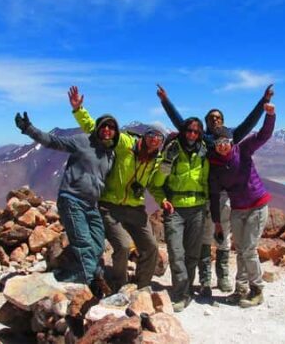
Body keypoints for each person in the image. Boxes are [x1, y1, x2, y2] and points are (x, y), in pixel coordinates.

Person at [156, 84, 274, 296]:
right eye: (211, 118)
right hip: (205, 194)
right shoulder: (202, 139)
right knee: (205, 236)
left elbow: (250, 122)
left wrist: (263, 102)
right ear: (206, 122)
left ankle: (224, 275)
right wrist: (166, 101)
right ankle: (205, 278)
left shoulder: (232, 136)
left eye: (218, 117)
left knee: (224, 236)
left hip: (225, 196)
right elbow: (181, 123)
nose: (215, 120)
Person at [67, 86, 164, 291]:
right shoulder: (125, 143)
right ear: (145, 135)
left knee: (152, 247)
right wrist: (79, 110)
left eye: (159, 137)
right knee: (122, 246)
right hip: (110, 207)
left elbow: (154, 185)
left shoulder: (157, 160)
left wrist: (162, 200)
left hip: (136, 209)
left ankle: (142, 286)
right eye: (152, 135)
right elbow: (99, 130)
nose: (154, 139)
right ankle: (119, 285)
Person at [14, 107, 116, 297]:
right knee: (83, 241)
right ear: (98, 127)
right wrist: (29, 129)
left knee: (98, 244)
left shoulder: (110, 154)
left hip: (92, 204)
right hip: (72, 199)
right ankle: (95, 285)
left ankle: (76, 273)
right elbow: (54, 142)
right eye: (104, 126)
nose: (107, 130)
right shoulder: (83, 141)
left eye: (112, 127)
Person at [208, 102, 275, 308]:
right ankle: (241, 289)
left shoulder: (243, 149)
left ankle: (257, 289)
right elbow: (213, 195)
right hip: (238, 209)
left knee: (249, 249)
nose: (222, 145)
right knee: (241, 250)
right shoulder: (215, 166)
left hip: (256, 205)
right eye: (218, 142)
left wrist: (270, 115)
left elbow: (263, 135)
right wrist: (218, 223)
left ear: (231, 141)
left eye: (225, 141)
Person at [148, 117, 209, 312]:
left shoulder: (205, 151)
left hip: (198, 207)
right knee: (176, 252)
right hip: (175, 209)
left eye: (196, 132)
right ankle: (181, 292)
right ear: (183, 131)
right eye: (189, 131)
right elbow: (156, 183)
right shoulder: (172, 150)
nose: (192, 135)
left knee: (192, 254)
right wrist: (167, 162)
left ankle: (186, 290)